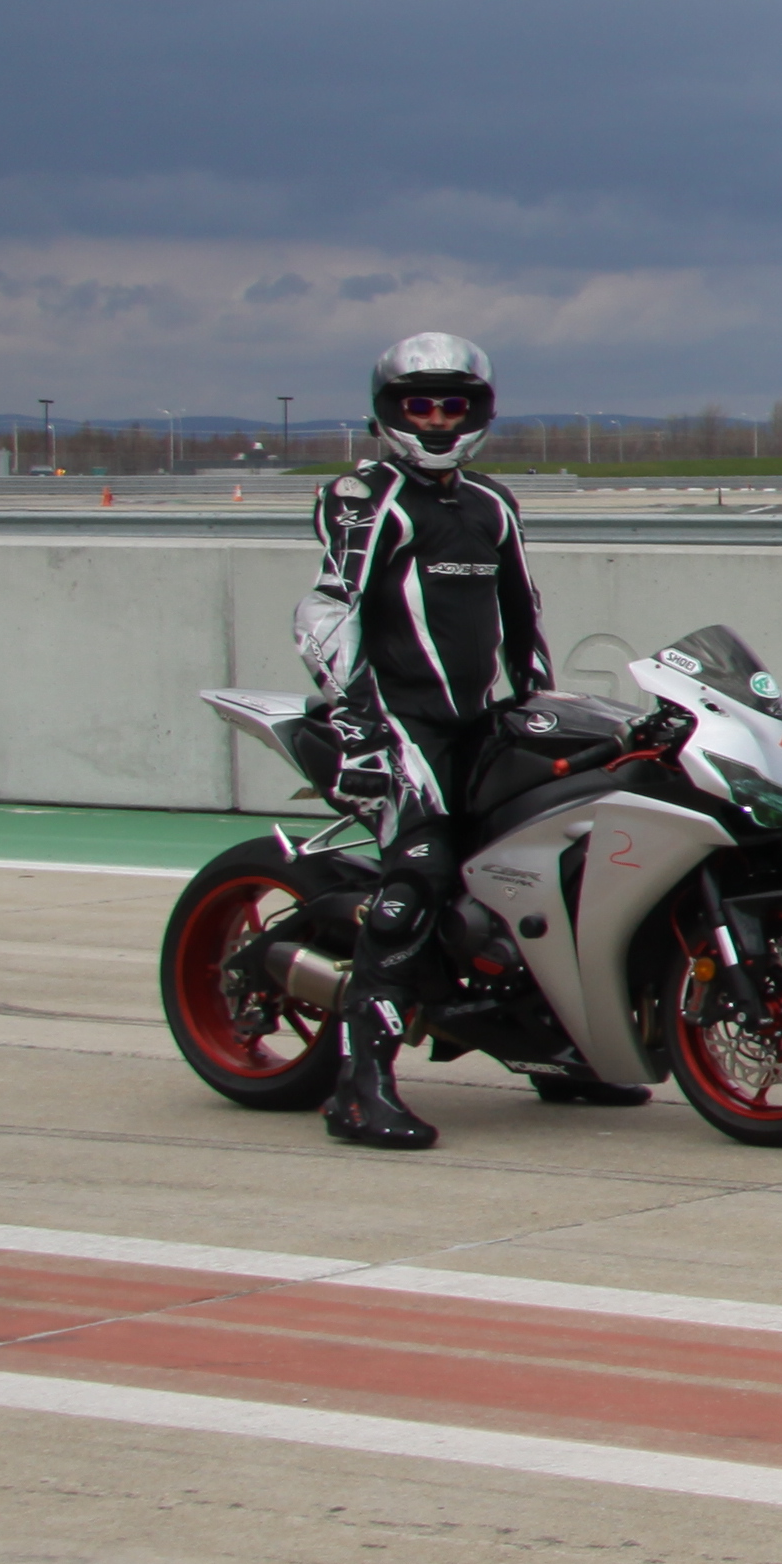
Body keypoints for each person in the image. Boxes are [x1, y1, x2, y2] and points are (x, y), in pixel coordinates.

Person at [294, 332, 577, 1149]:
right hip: (395, 723)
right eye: (420, 404)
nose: (438, 419)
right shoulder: (361, 496)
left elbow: (522, 615)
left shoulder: (492, 503)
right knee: (420, 873)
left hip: (479, 725)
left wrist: (537, 709)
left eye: (454, 404)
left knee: (541, 859)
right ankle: (359, 1088)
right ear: (389, 410)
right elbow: (328, 613)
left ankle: (559, 1053)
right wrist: (359, 729)